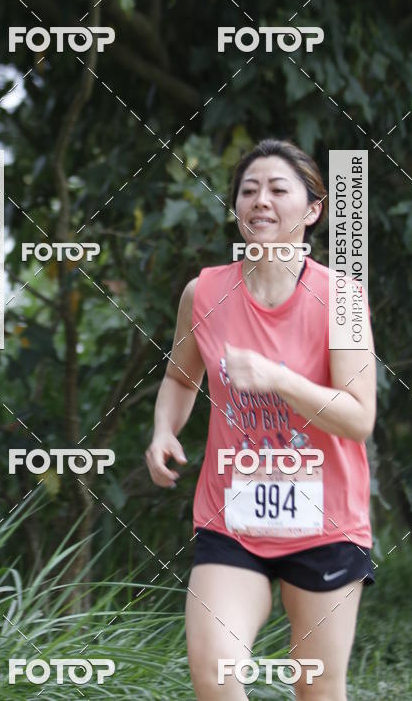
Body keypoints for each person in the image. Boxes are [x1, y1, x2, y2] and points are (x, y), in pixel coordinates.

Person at [145, 138, 376, 701]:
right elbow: (181, 378)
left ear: (313, 210)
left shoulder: (340, 298)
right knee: (215, 674)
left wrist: (278, 379)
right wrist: (163, 431)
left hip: (325, 521)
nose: (261, 201)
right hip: (233, 522)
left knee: (317, 689)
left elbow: (358, 416)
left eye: (278, 189)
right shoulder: (204, 293)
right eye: (249, 191)